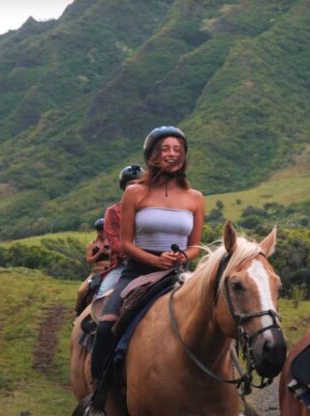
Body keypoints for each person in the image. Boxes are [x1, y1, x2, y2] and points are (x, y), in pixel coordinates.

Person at [89, 126, 205, 405]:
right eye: (165, 149)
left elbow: (195, 246)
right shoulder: (135, 192)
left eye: (178, 150)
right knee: (105, 327)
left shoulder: (195, 198)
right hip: (139, 270)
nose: (172, 154)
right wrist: (154, 259)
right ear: (152, 154)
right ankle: (99, 398)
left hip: (178, 273)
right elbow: (126, 243)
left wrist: (183, 258)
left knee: (215, 322)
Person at [96, 164, 145, 298]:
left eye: (139, 184)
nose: (135, 188)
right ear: (124, 188)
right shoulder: (113, 212)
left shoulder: (152, 209)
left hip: (157, 260)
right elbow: (116, 243)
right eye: (131, 185)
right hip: (125, 264)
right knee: (102, 294)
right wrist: (140, 254)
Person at [75, 219, 111, 315]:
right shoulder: (93, 244)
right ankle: (78, 311)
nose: (102, 233)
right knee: (81, 291)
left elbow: (120, 255)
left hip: (111, 269)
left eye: (104, 231)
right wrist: (99, 253)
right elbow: (89, 260)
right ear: (98, 231)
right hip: (97, 271)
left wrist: (108, 252)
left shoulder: (112, 242)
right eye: (100, 231)